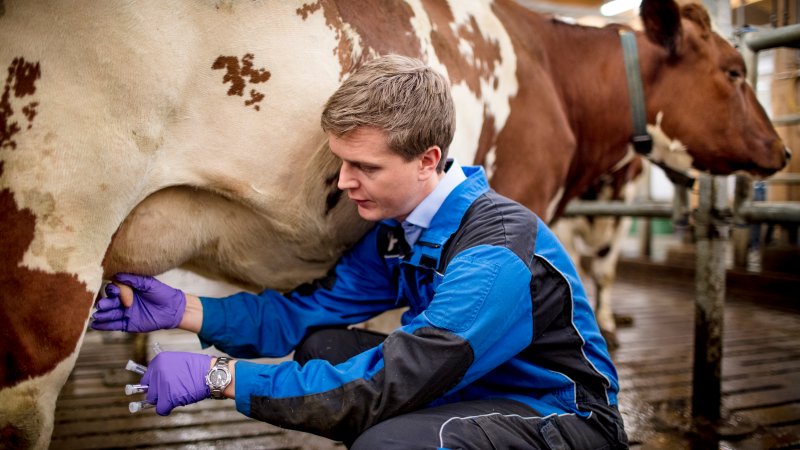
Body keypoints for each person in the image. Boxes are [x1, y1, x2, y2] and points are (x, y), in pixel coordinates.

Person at [92, 54, 628, 449]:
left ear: (428, 160)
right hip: (469, 386)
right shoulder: (399, 232)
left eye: (365, 167)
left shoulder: (494, 252)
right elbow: (305, 313)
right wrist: (183, 309)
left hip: (561, 418)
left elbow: (392, 381)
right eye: (341, 162)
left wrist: (218, 377)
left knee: (386, 444)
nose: (345, 182)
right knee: (322, 346)